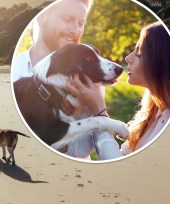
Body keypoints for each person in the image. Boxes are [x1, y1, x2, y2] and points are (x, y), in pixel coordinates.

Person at [12, 0, 102, 159]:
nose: (75, 30)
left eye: (81, 23)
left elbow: (82, 150)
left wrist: (97, 108)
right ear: (42, 17)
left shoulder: (87, 79)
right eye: (67, 20)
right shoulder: (14, 70)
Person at [66, 22, 170, 158]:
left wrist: (99, 112)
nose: (128, 58)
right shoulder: (154, 113)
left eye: (138, 53)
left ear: (161, 61)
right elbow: (120, 157)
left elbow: (120, 169)